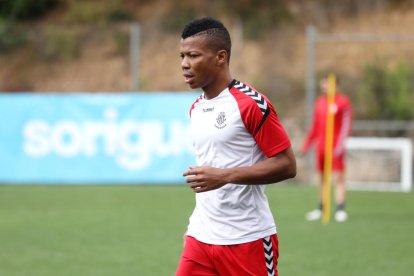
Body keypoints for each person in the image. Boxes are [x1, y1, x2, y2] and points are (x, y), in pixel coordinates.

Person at [175, 17, 296, 276]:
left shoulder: (251, 104)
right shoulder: (196, 108)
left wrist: (225, 176)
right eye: (182, 56)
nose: (185, 64)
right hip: (201, 237)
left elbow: (287, 165)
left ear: (221, 57)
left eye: (193, 55)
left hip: (247, 239)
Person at [302, 76, 352, 222]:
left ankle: (340, 209)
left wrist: (340, 145)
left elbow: (346, 125)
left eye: (327, 85)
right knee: (322, 178)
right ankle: (321, 207)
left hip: (336, 147)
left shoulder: (343, 102)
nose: (324, 88)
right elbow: (315, 126)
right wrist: (307, 144)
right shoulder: (320, 103)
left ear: (336, 86)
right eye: (322, 86)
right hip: (321, 147)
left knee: (338, 178)